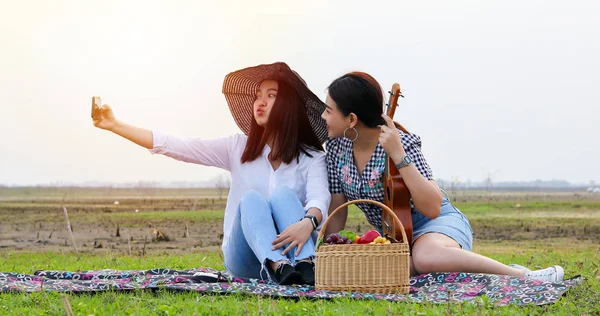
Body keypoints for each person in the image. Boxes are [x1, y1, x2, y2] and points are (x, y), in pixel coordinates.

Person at [92, 62, 331, 285]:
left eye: (271, 96)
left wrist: (308, 223)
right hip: (246, 259)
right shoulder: (238, 147)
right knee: (251, 199)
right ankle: (278, 266)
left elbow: (319, 198)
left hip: (297, 250)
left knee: (283, 196)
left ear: (288, 105)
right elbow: (178, 145)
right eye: (258, 95)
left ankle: (305, 264)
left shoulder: (312, 158)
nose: (260, 101)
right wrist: (114, 125)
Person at [320, 71, 564, 283]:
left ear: (351, 119)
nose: (323, 116)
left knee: (426, 257)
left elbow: (433, 207)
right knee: (382, 271)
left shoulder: (403, 142)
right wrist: (319, 247)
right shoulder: (335, 150)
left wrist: (398, 155)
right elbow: (338, 213)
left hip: (436, 225)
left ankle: (522, 276)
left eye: (329, 111)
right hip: (397, 237)